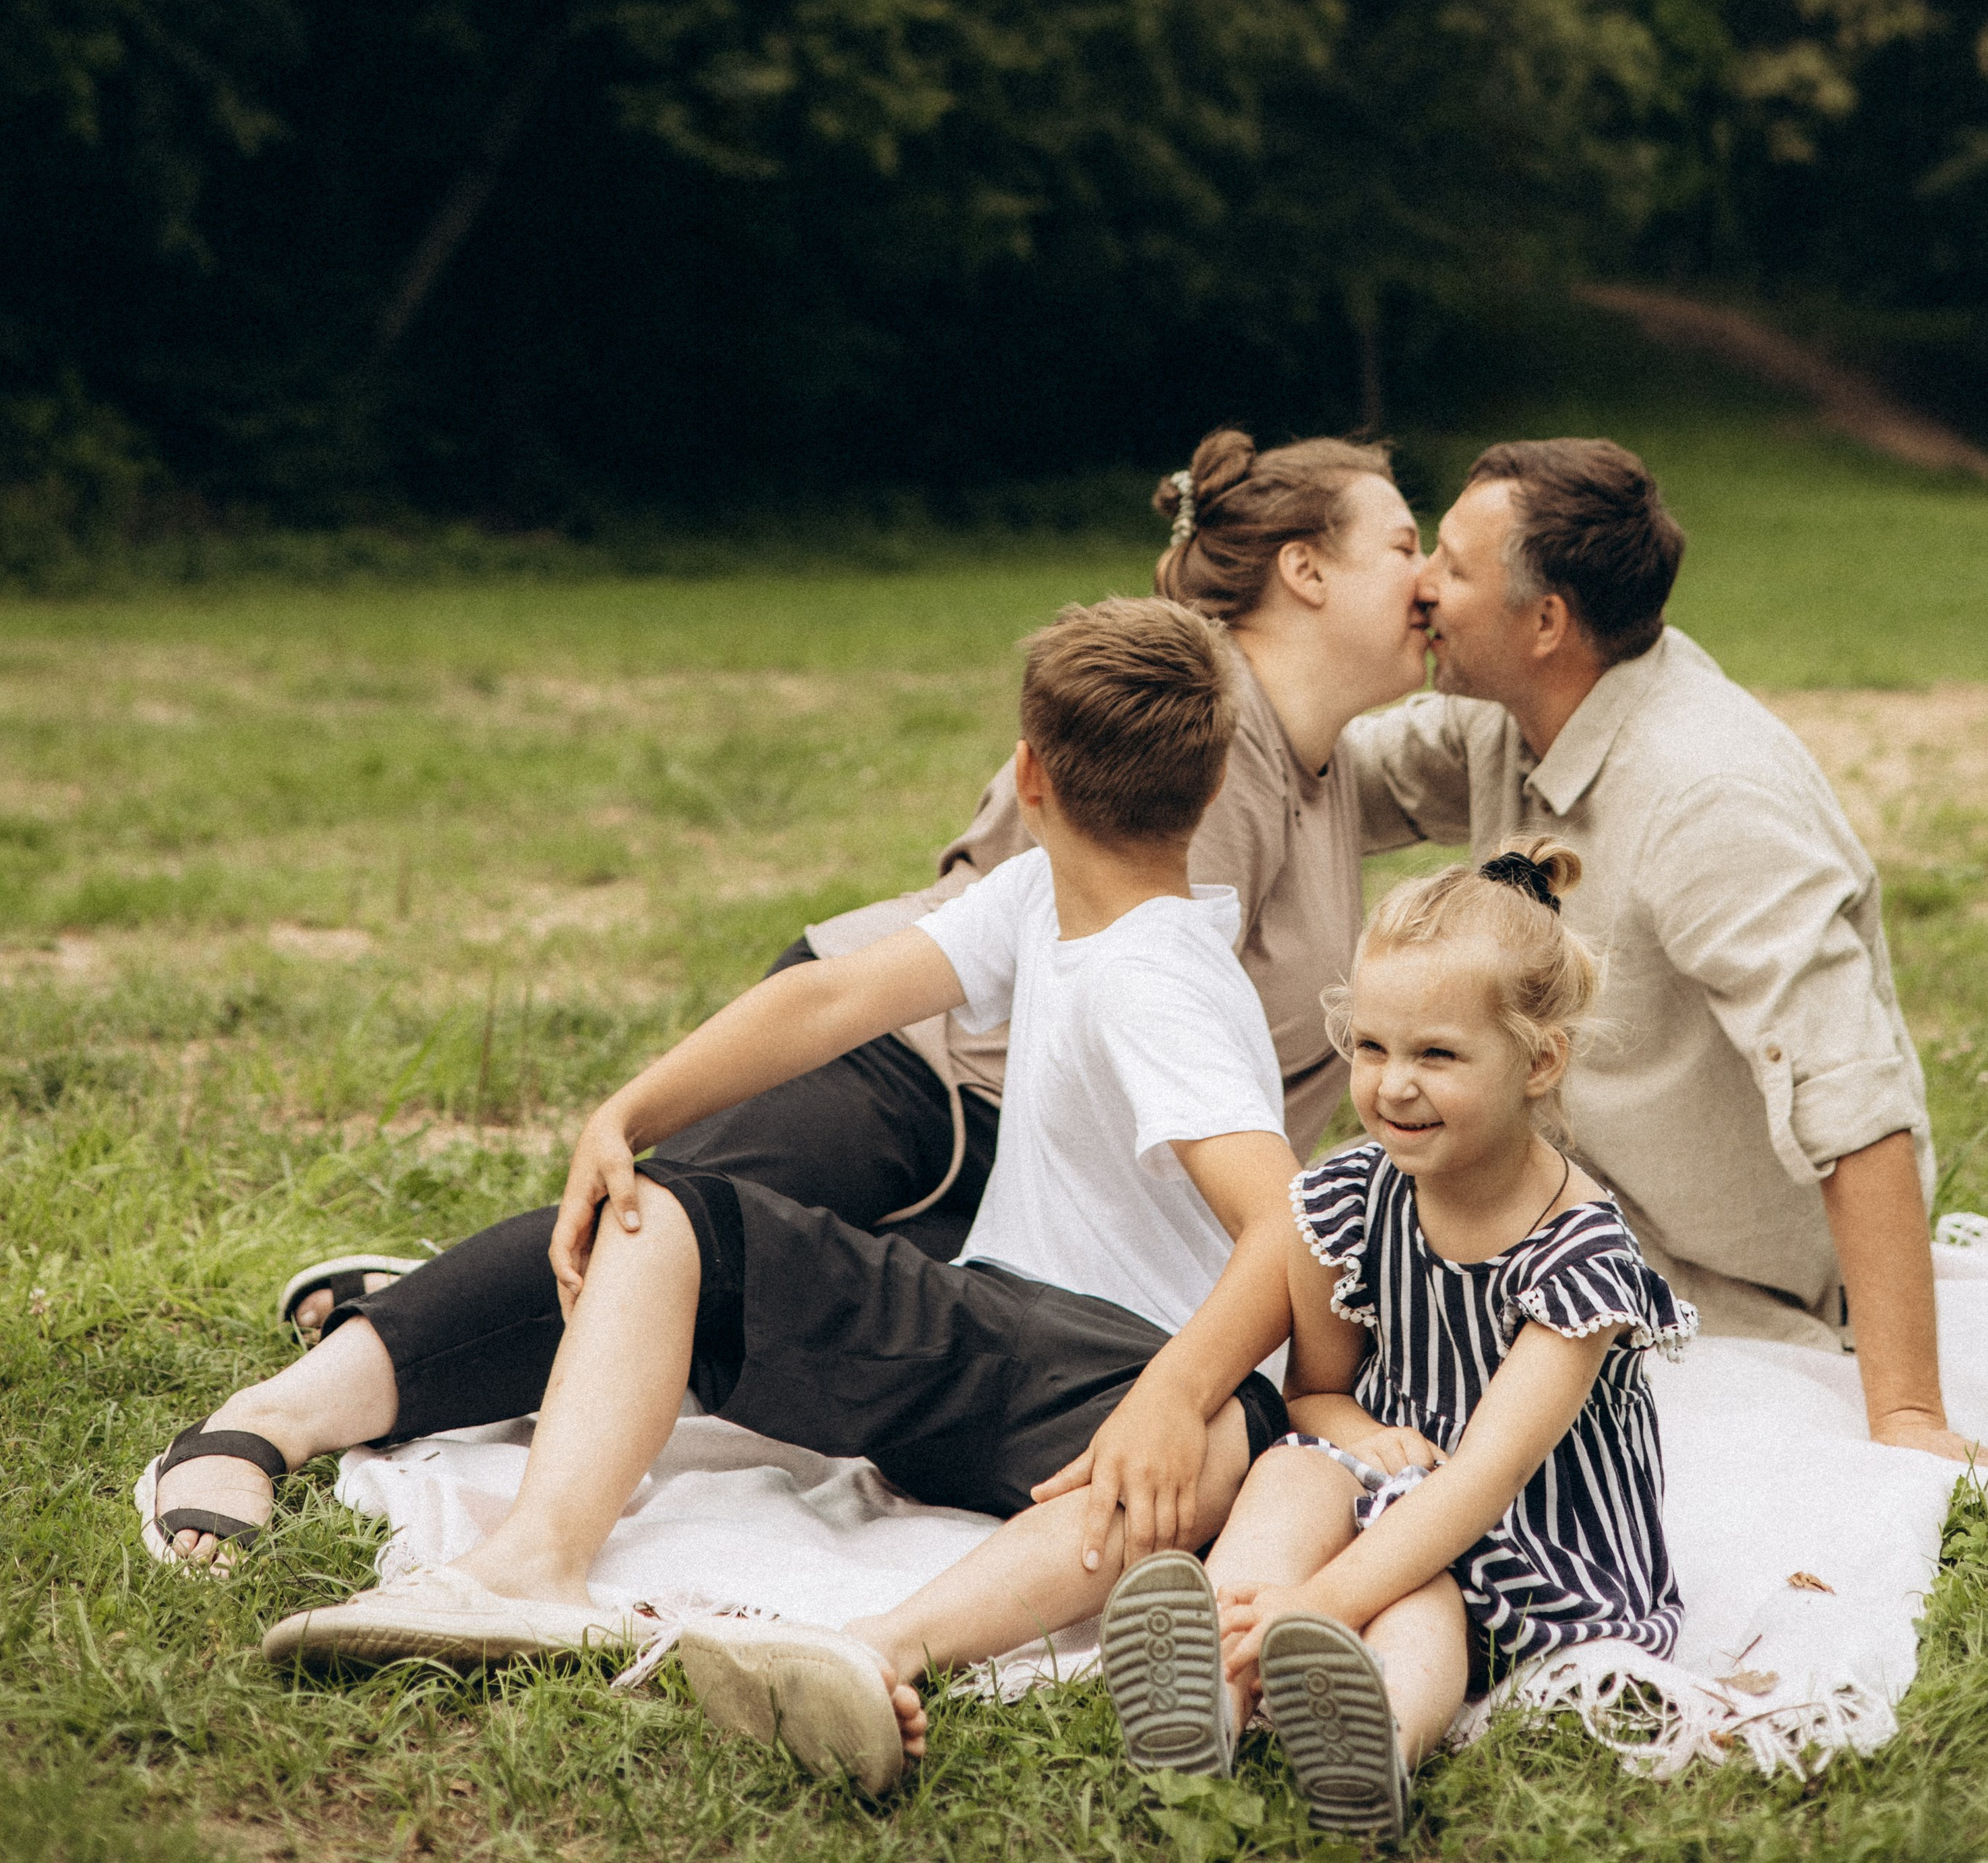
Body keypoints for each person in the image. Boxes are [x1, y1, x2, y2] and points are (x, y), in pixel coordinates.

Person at [142, 600, 1307, 1775]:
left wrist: (1173, 1394)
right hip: (990, 1327)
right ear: (1211, 793)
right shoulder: (1044, 898)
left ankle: (877, 1650)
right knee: (666, 1218)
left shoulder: (1160, 980)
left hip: (1124, 1383)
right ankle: (526, 1571)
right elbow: (829, 1000)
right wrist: (628, 1115)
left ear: (1030, 774)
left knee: (1217, 1445)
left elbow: (1285, 1229)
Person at [273, 431, 1423, 1380]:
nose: (1428, 585)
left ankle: (417, 1300)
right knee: (658, 1233)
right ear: (1304, 569)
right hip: (925, 1062)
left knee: (730, 1323)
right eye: (1410, 547)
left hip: (1002, 1126)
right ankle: (315, 1393)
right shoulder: (1195, 723)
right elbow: (1080, 995)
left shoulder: (1320, 765)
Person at [1348, 435, 1969, 1458]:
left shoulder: (1704, 794)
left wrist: (1906, 1414)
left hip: (1717, 1276)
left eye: (1452, 567)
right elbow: (1323, 769)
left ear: (1546, 621)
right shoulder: (1512, 720)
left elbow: (1849, 1091)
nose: (1419, 586)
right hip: (1557, 1206)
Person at [1095, 843, 1694, 1840]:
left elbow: (1483, 1482)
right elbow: (1315, 1395)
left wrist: (1323, 1597)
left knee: (1421, 1584)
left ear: (1537, 1061)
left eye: (1437, 1055)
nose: (1391, 1085)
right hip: (1400, 1489)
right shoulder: (1353, 1195)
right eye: (1371, 1047)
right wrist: (1362, 1435)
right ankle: (1213, 1688)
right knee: (1292, 1471)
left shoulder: (1578, 1252)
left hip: (1534, 1542)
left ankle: (1379, 1734)